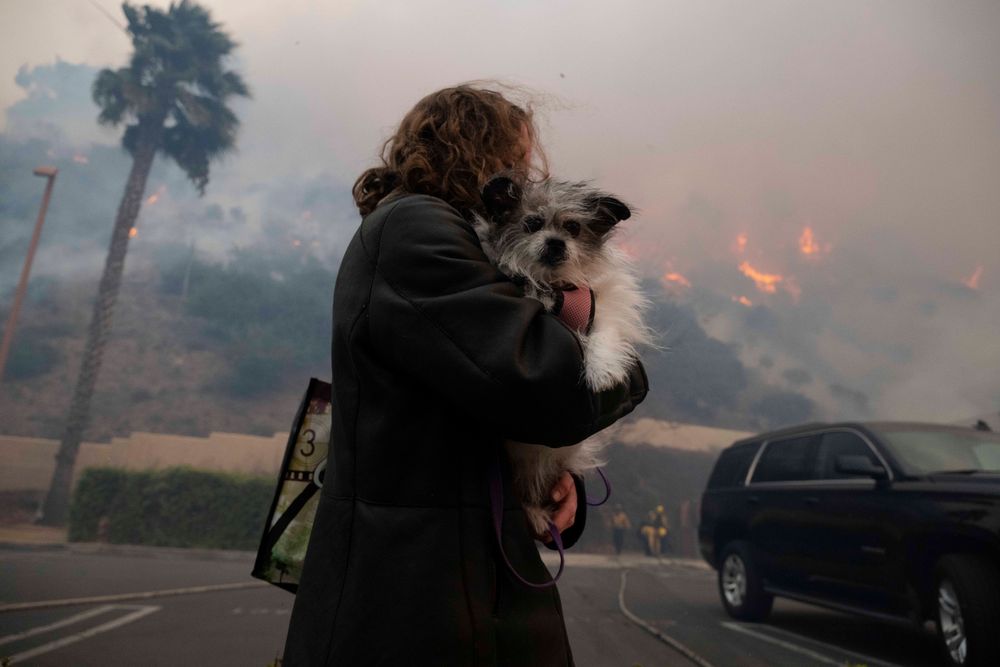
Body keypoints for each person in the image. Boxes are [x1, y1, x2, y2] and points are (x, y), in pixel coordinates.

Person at [282, 84, 648, 666]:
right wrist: (621, 365)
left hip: (443, 568)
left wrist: (550, 484)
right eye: (519, 155)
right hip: (424, 587)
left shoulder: (437, 233)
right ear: (481, 149)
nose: (527, 171)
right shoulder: (417, 226)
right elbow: (540, 382)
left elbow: (479, 394)